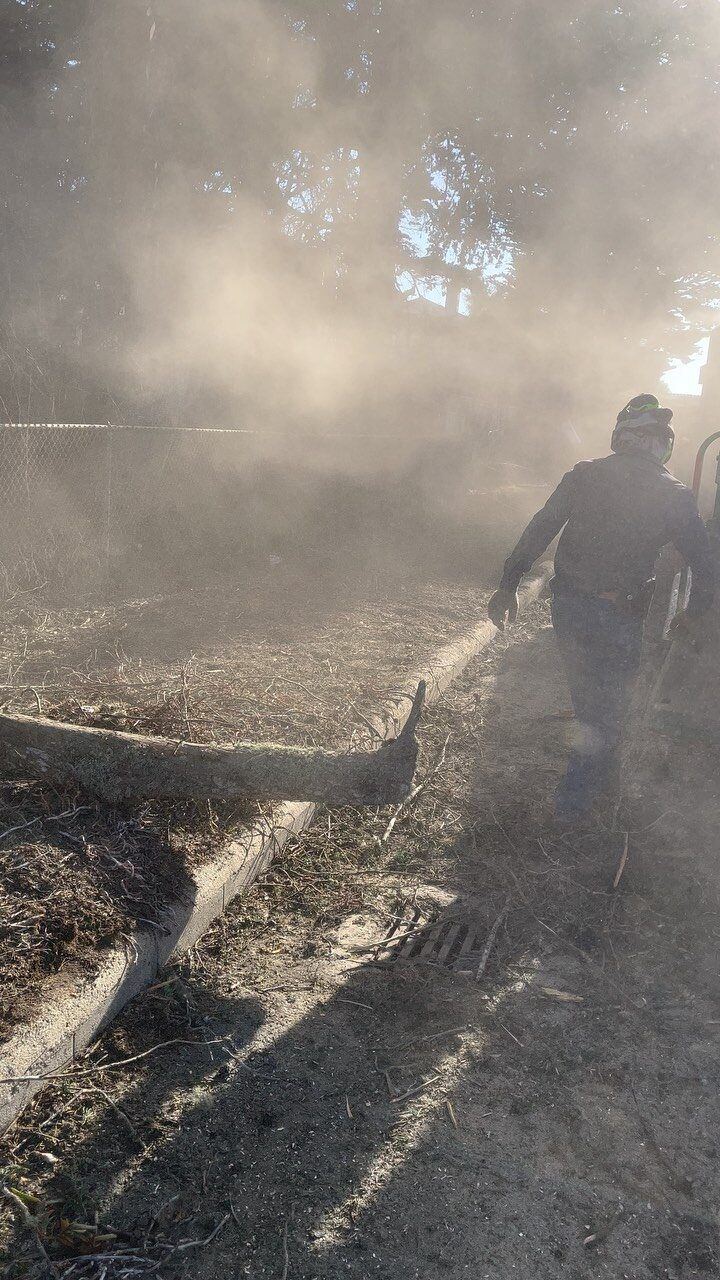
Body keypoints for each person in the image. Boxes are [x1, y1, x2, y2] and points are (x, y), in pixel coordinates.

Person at [487, 394, 716, 821]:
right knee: (606, 705)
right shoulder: (675, 494)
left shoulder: (585, 475)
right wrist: (694, 612)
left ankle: (601, 784)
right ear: (663, 445)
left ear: (623, 438)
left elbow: (541, 529)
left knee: (593, 699)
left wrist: (508, 584)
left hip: (571, 607)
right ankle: (573, 807)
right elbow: (706, 564)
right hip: (624, 613)